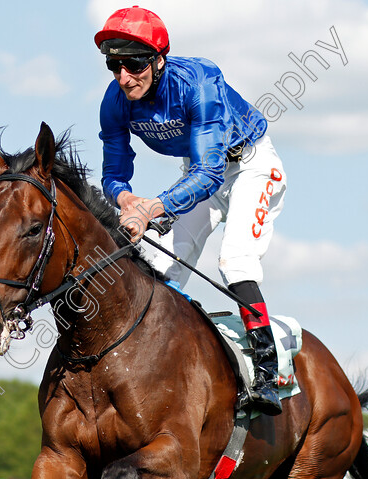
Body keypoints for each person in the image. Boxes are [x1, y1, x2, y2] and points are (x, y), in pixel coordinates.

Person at [95, 6, 287, 416]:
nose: (124, 77)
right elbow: (113, 174)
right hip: (195, 174)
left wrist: (154, 207)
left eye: (134, 64)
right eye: (114, 65)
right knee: (163, 269)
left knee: (234, 262)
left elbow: (211, 172)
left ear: (159, 59)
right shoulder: (114, 102)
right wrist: (126, 200)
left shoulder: (199, 79)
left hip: (250, 166)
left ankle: (268, 375)